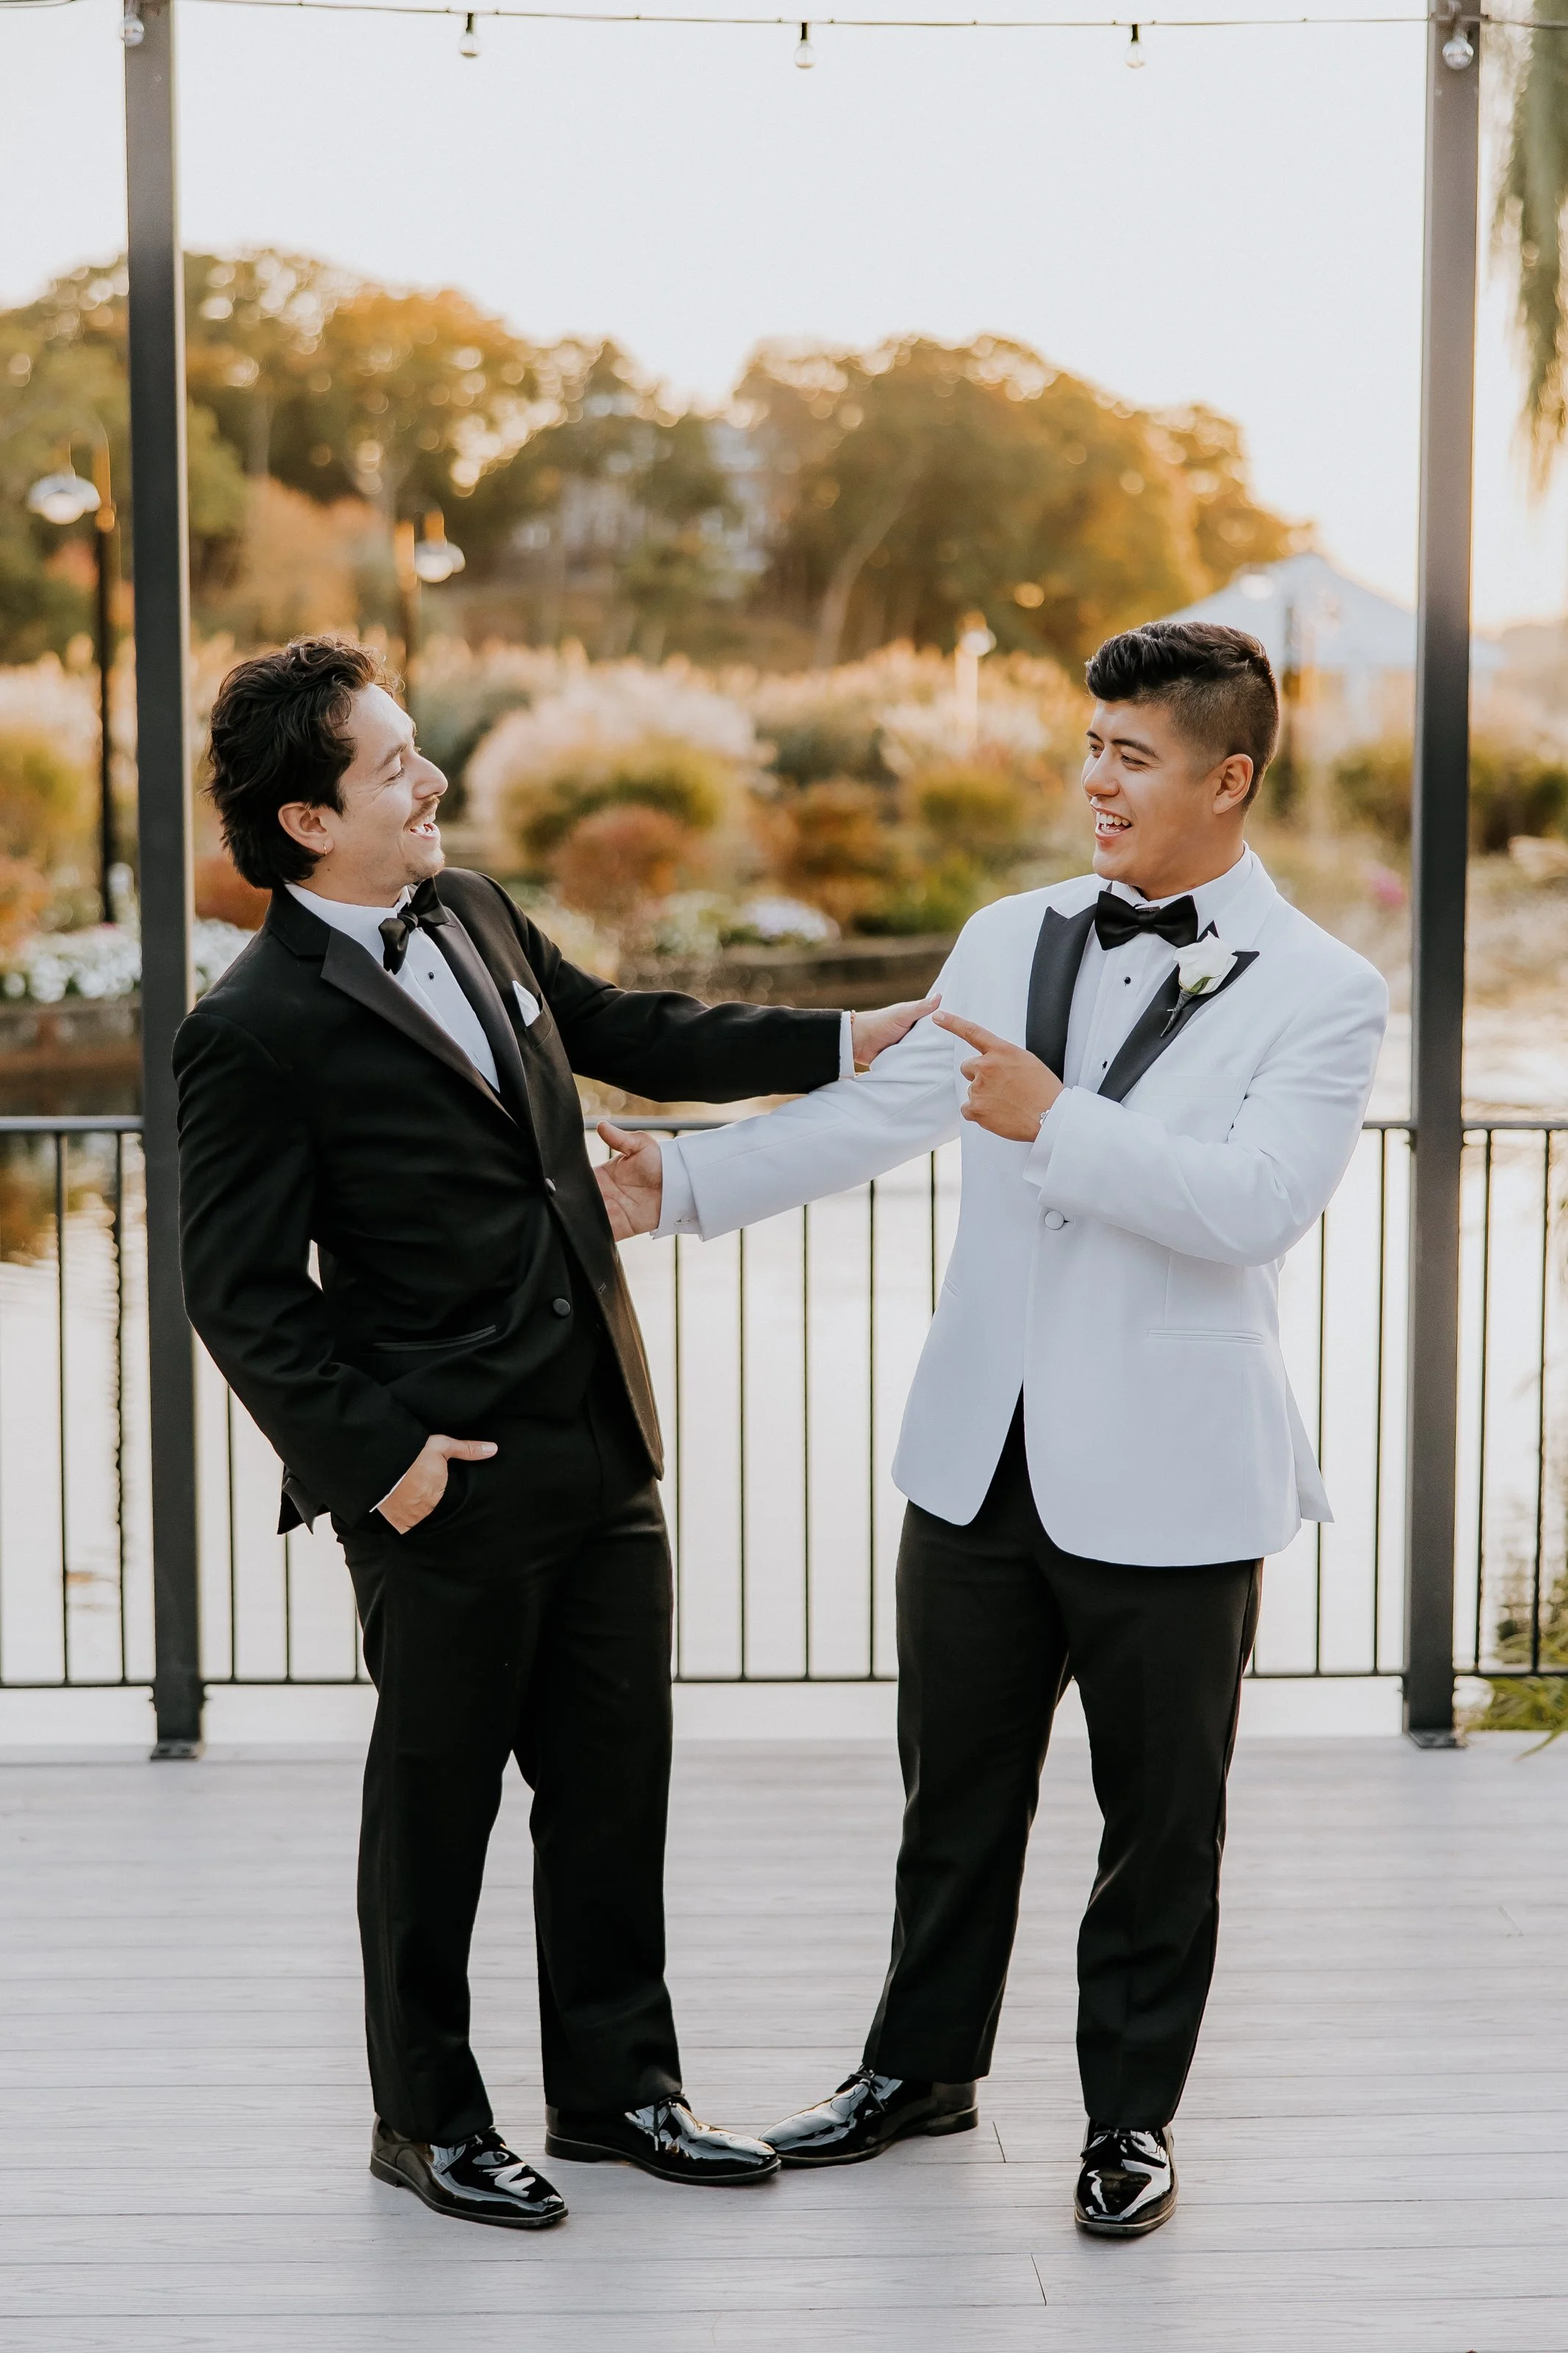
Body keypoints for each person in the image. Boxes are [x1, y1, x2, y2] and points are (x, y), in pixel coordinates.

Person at [596, 619, 1389, 2238]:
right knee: (952, 1801)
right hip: (977, 1460)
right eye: (1091, 746)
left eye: (1133, 756)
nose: (1097, 780)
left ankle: (1128, 2122)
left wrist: (1055, 1120)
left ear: (1228, 778)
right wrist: (677, 1182)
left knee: (1160, 1826)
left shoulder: (1326, 987)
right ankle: (916, 2072)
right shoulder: (1008, 932)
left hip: (1177, 1481)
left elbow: (1255, 1207)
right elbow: (875, 1118)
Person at [175, 635, 932, 2232]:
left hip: (600, 1432)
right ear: (309, 820)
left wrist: (842, 1039)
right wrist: (386, 1467)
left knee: (612, 1786)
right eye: (393, 763)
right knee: (435, 1808)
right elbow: (239, 1295)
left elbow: (626, 1027)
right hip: (444, 1482)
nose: (428, 777)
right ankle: (428, 2121)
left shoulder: (473, 907)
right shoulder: (250, 1026)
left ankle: (618, 2097)